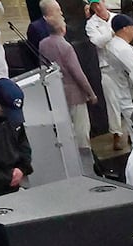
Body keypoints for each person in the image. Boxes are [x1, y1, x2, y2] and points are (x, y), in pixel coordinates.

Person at [37, 15, 94, 148]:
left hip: (56, 93)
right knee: (81, 129)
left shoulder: (42, 44)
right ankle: (85, 157)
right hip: (75, 94)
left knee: (65, 130)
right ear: (63, 28)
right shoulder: (65, 46)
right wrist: (91, 93)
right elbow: (77, 73)